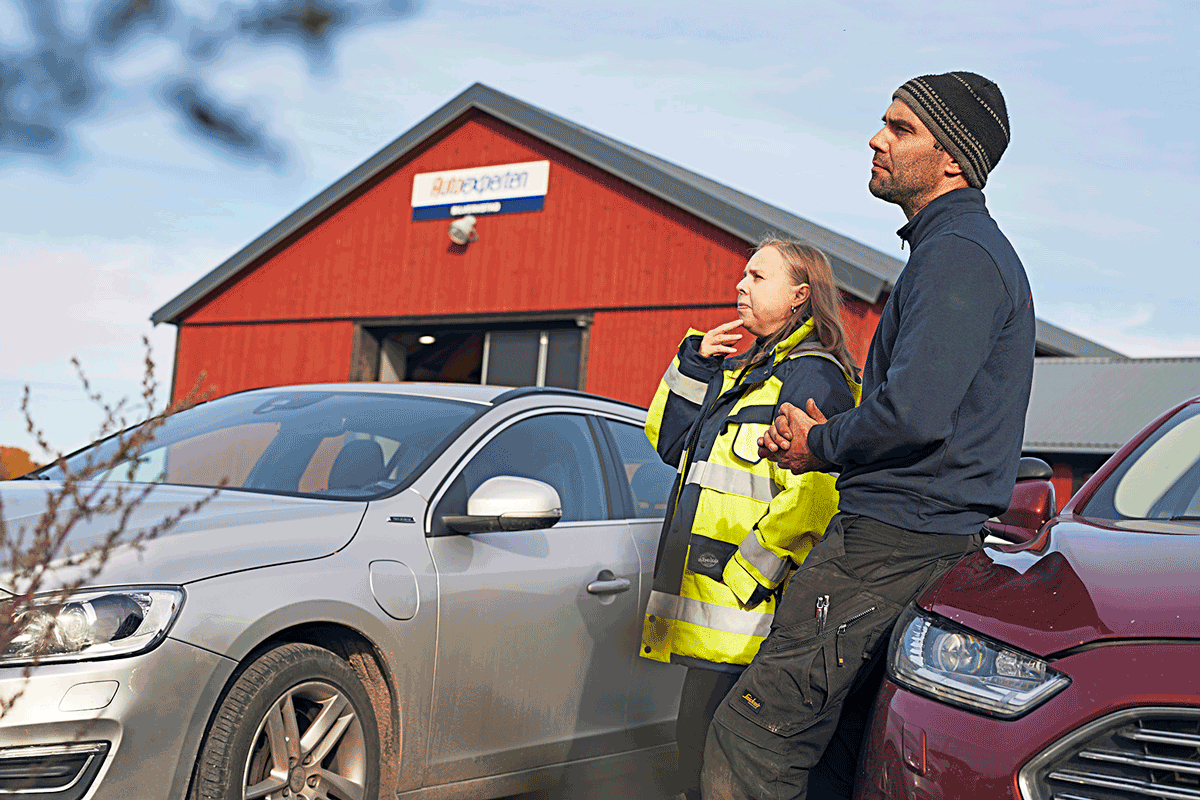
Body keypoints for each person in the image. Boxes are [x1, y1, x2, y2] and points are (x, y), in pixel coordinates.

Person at [701, 71, 1036, 800]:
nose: (876, 139)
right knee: (841, 756)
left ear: (954, 159)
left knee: (752, 741)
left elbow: (914, 415)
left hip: (886, 547)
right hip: (903, 542)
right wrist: (834, 436)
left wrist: (815, 445)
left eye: (901, 127)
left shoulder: (960, 257)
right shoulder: (950, 253)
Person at [641, 239, 862, 800]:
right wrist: (694, 366)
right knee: (695, 752)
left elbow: (817, 495)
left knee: (718, 762)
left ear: (799, 296)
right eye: (743, 274)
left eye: (758, 277)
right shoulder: (751, 372)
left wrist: (747, 574)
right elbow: (670, 445)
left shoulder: (814, 378)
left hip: (759, 614)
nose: (740, 285)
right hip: (721, 613)